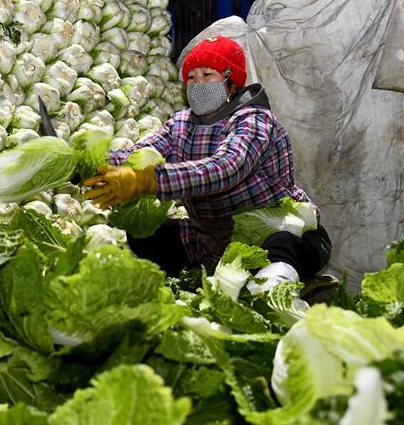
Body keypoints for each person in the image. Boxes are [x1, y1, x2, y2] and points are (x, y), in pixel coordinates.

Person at [84, 35, 332, 293]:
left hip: (276, 235)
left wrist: (149, 181)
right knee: (147, 234)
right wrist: (89, 164)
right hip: (213, 240)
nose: (198, 83)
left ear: (231, 82)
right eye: (191, 77)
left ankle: (276, 292)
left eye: (207, 75)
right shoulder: (181, 124)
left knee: (279, 245)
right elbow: (138, 154)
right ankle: (183, 287)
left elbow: (226, 168)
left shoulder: (255, 120)